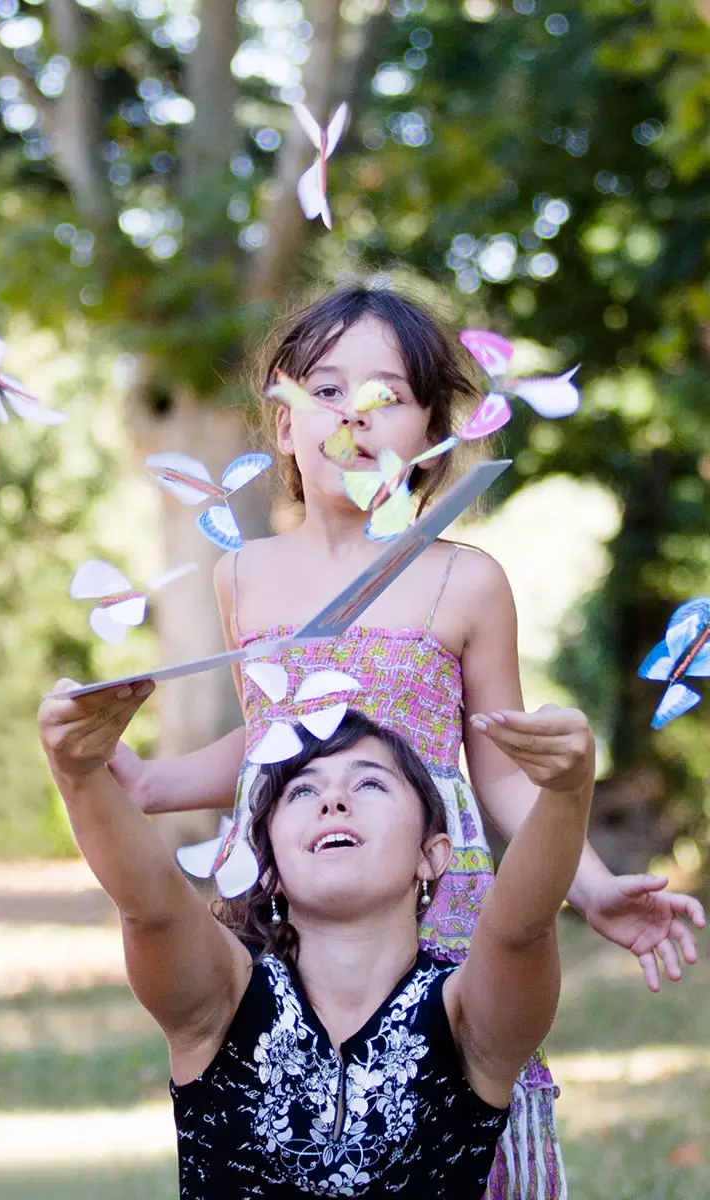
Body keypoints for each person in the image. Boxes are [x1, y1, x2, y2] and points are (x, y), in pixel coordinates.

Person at [106, 284, 705, 1197]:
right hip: (288, 889)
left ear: (432, 432)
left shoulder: (465, 582)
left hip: (432, 891)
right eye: (328, 390)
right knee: (289, 1120)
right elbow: (271, 743)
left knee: (434, 1118)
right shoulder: (245, 575)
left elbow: (503, 774)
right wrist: (150, 784)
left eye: (387, 396)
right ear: (284, 421)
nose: (355, 414)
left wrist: (589, 888)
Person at [38, 698, 597, 1199]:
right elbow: (151, 906)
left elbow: (522, 928)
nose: (333, 799)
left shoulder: (468, 1019)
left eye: (370, 783)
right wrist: (79, 772)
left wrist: (567, 792)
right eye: (302, 790)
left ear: (432, 855)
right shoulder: (221, 998)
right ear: (271, 867)